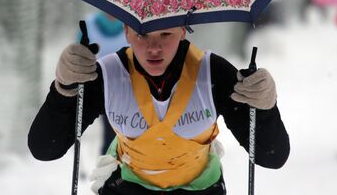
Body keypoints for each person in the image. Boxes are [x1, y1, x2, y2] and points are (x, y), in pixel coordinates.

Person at [28, 24, 290, 194]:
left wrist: (265, 108)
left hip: (200, 188)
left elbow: (271, 156)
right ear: (126, 31)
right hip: (128, 187)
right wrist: (63, 90)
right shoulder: (109, 74)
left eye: (165, 33)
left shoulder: (213, 74)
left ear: (183, 30)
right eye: (142, 34)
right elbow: (45, 148)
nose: (153, 47)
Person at [78, 11, 128, 155]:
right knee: (111, 132)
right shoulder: (90, 24)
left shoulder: (129, 24)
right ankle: (109, 167)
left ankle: (114, 164)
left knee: (121, 132)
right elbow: (79, 54)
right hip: (102, 87)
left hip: (127, 87)